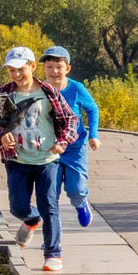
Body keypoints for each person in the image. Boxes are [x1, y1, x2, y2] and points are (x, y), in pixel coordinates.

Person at [0, 44, 77, 274]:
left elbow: (71, 120)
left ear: (32, 67)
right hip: (18, 160)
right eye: (11, 70)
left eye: (21, 69)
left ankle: (53, 254)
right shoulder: (5, 92)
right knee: (18, 207)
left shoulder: (48, 92)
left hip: (47, 160)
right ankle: (31, 219)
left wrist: (62, 142)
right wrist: (3, 134)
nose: (16, 75)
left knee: (50, 207)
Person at [42, 45, 100, 229]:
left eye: (59, 67)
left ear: (67, 69)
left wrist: (94, 135)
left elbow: (92, 109)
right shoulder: (40, 90)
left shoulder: (76, 88)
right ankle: (52, 236)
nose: (54, 71)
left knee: (76, 189)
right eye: (49, 66)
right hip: (50, 149)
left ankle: (81, 204)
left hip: (75, 148)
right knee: (50, 194)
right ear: (43, 68)